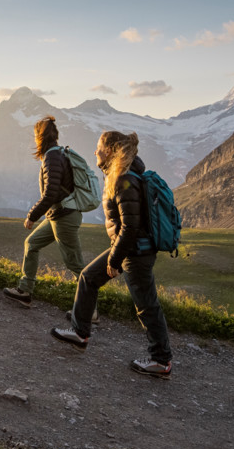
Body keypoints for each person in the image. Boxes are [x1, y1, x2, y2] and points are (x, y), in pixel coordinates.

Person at [50, 130, 173, 378]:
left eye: (98, 148)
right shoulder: (123, 174)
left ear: (110, 151)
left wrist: (115, 260)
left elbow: (130, 226)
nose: (95, 152)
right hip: (129, 247)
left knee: (146, 305)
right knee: (88, 277)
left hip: (134, 251)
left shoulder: (124, 179)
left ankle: (161, 361)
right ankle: (80, 332)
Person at [2, 115, 87, 307]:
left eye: (35, 136)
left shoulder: (52, 157)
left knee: (75, 264)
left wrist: (32, 216)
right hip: (57, 215)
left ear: (40, 137)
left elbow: (51, 193)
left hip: (65, 217)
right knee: (31, 243)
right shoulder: (57, 153)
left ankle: (90, 311)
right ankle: (25, 291)